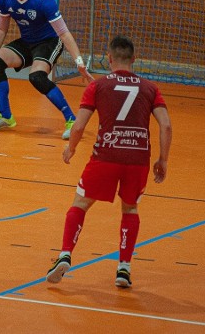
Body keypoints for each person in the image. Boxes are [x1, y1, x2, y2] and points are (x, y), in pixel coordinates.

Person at [46, 35, 172, 289]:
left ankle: (65, 254)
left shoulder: (97, 86)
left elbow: (79, 125)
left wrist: (70, 149)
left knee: (80, 204)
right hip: (137, 159)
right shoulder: (150, 88)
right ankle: (123, 269)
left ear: (110, 59)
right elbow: (166, 125)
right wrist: (163, 160)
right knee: (130, 209)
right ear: (134, 59)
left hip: (106, 156)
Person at [0, 0, 94, 139]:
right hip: (27, 42)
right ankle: (6, 117)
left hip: (49, 42)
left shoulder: (43, 0)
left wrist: (79, 62)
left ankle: (71, 120)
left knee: (37, 77)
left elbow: (64, 33)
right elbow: (1, 27)